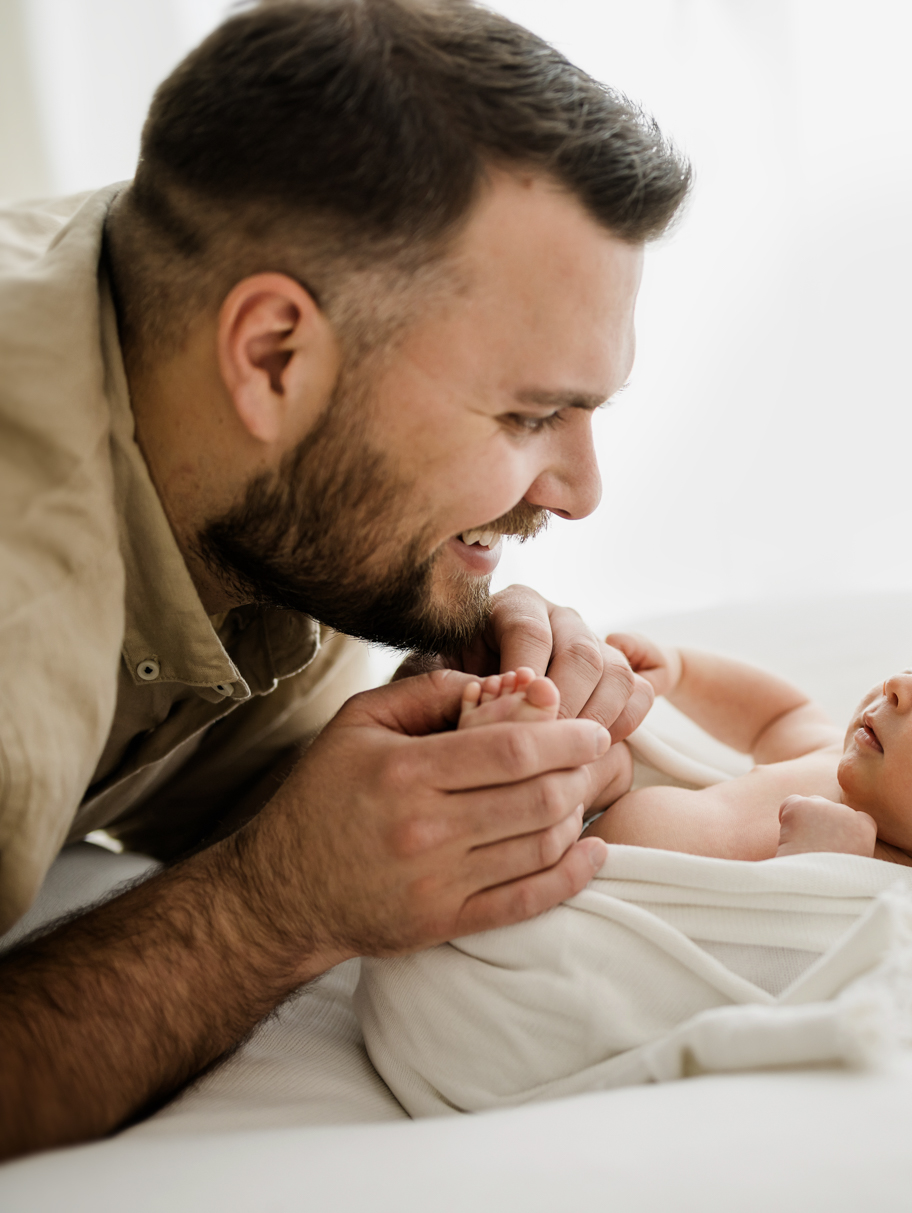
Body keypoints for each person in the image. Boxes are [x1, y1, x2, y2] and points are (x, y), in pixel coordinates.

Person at [0, 0, 690, 1161]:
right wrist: (268, 910)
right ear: (272, 355)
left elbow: (275, 789)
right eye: (528, 414)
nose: (578, 491)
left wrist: (448, 735)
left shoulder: (238, 461)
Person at [457, 604, 912, 880]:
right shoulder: (839, 765)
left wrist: (814, 873)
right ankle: (506, 754)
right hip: (579, 836)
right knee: (605, 758)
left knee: (571, 773)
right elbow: (777, 714)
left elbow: (790, 986)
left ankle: (505, 758)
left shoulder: (898, 895)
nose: (901, 684)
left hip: (579, 906)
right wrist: (680, 671)